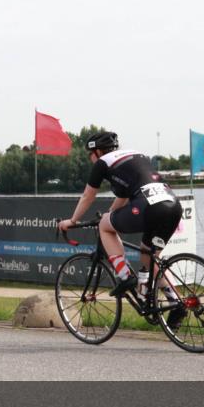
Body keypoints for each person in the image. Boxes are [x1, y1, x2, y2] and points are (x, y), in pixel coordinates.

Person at [57, 131, 185, 325]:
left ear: (97, 151)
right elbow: (123, 196)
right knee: (149, 258)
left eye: (90, 154)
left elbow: (88, 196)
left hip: (149, 207)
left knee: (104, 226)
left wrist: (73, 221)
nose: (90, 158)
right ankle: (176, 303)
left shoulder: (102, 162)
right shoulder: (135, 155)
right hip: (172, 207)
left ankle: (125, 276)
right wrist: (110, 214)